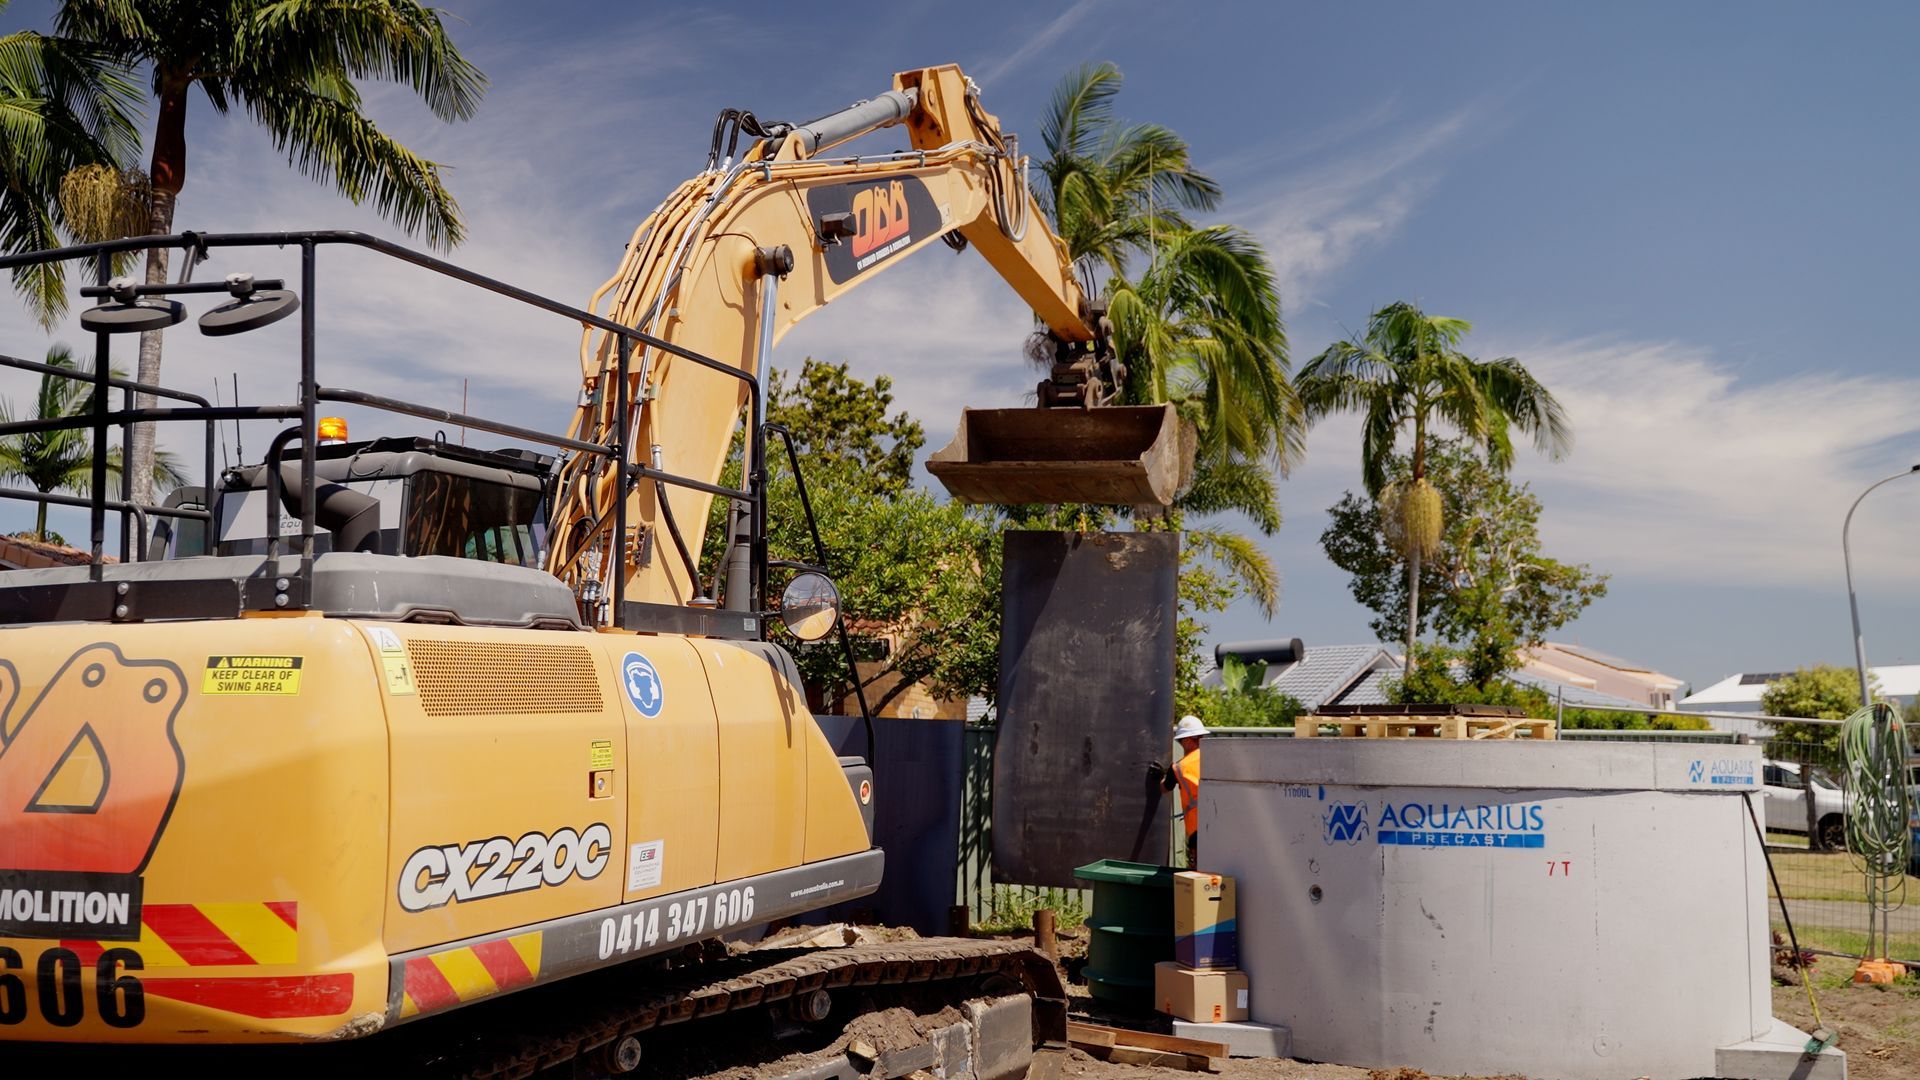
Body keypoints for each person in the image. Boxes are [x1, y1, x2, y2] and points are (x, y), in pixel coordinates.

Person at [1156, 715, 1208, 867]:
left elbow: (1164, 788)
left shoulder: (1179, 768)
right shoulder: (1214, 757)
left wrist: (1160, 776)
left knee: (1199, 875)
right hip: (1221, 824)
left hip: (1197, 829)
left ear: (1185, 741)